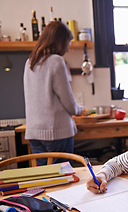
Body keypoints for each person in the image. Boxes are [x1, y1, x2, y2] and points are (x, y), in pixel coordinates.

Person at [23, 21, 85, 165]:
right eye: (67, 43)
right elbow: (68, 102)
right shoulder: (56, 61)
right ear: (59, 41)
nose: (68, 49)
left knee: (45, 179)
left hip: (34, 133)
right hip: (56, 132)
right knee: (64, 180)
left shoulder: (30, 62)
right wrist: (79, 109)